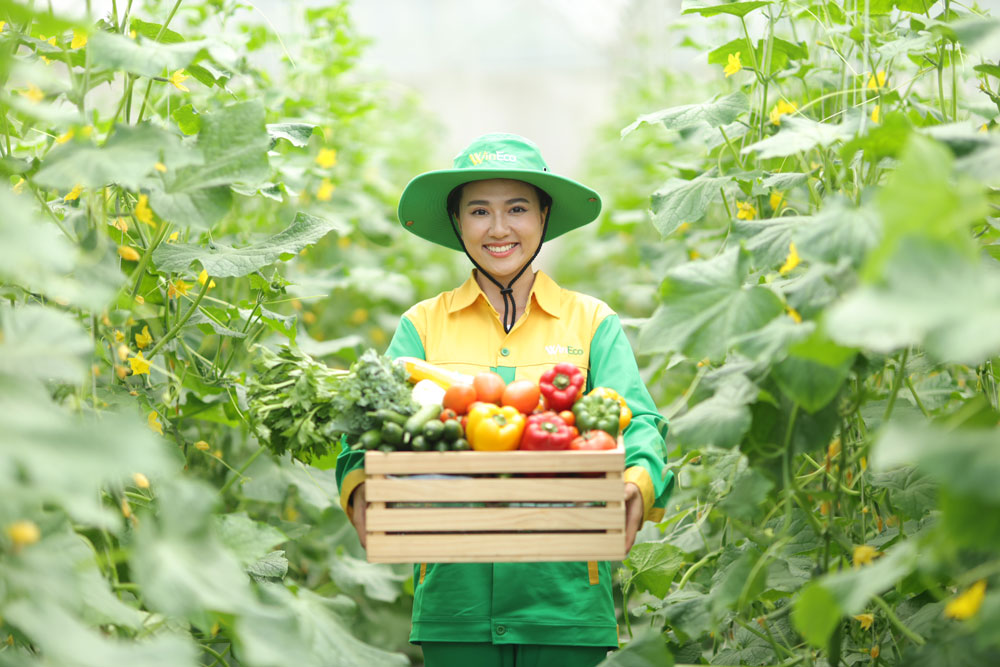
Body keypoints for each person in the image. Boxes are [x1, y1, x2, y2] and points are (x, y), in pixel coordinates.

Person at [335, 133, 674, 667]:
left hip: (566, 591)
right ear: (457, 223)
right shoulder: (422, 324)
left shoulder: (590, 321)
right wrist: (355, 482)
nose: (498, 229)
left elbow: (641, 422)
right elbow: (368, 424)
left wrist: (637, 482)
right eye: (478, 211)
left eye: (517, 208)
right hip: (454, 589)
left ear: (543, 216)